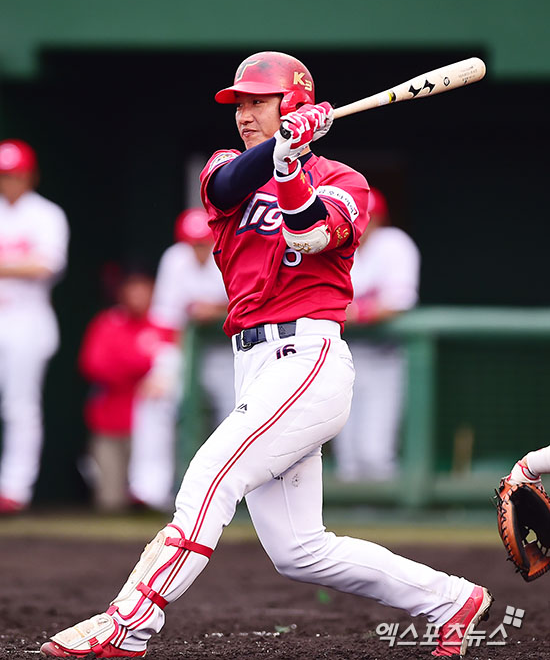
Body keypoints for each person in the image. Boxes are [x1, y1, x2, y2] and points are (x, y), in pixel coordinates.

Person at [40, 51, 491, 659]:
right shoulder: (224, 168)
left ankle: (128, 625)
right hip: (253, 365)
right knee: (299, 550)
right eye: (241, 105)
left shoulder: (346, 182)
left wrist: (292, 166)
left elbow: (311, 234)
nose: (245, 115)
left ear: (296, 103)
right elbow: (226, 186)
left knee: (210, 477)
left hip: (307, 359)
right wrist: (280, 148)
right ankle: (451, 599)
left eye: (259, 102)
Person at [128, 208, 232, 510]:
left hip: (229, 353)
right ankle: (149, 489)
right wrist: (162, 371)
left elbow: (254, 305)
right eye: (192, 243)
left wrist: (216, 310)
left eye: (203, 243)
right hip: (184, 351)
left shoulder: (230, 252)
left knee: (239, 413)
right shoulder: (175, 260)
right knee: (154, 396)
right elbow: (164, 323)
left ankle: (234, 493)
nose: (198, 249)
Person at [0, 139, 69, 515]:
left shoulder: (46, 214)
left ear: (30, 176)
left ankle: (15, 489)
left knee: (19, 406)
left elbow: (47, 264)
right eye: (4, 175)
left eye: (16, 174)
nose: (10, 181)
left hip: (28, 319)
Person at [332, 187, 421, 481]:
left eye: (367, 217)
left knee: (375, 453)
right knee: (347, 459)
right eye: (355, 217)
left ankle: (388, 511)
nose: (361, 224)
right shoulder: (337, 243)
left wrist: (356, 312)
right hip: (342, 359)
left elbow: (399, 303)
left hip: (384, 358)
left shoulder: (393, 244)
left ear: (379, 219)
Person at [78, 267, 177, 513]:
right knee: (110, 501)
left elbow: (175, 366)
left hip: (153, 428)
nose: (137, 294)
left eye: (143, 287)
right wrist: (141, 368)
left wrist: (134, 365)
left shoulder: (164, 324)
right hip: (111, 422)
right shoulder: (107, 322)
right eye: (132, 288)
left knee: (151, 498)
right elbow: (94, 365)